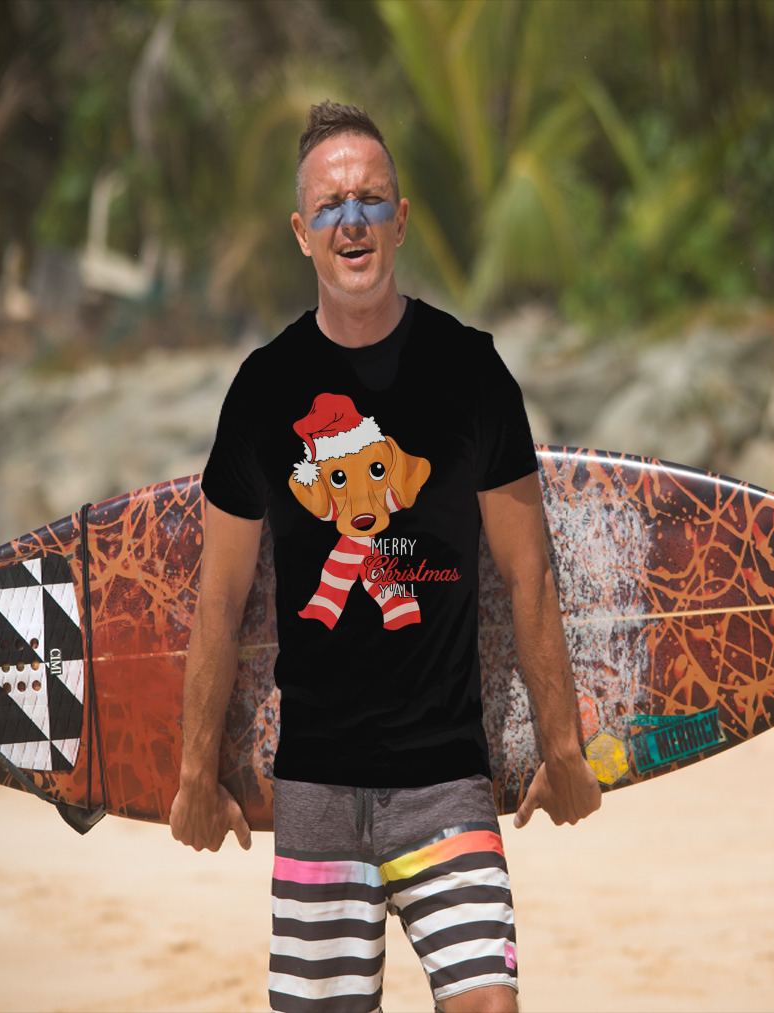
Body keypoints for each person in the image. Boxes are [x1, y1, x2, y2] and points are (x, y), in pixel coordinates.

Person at [170, 100, 601, 1013]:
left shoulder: (472, 372)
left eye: (371, 200)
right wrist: (192, 772)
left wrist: (562, 746)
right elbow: (219, 600)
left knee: (490, 1003)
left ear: (401, 219)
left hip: (446, 779)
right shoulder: (261, 391)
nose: (352, 220)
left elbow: (529, 574)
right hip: (317, 787)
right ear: (301, 233)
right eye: (330, 206)